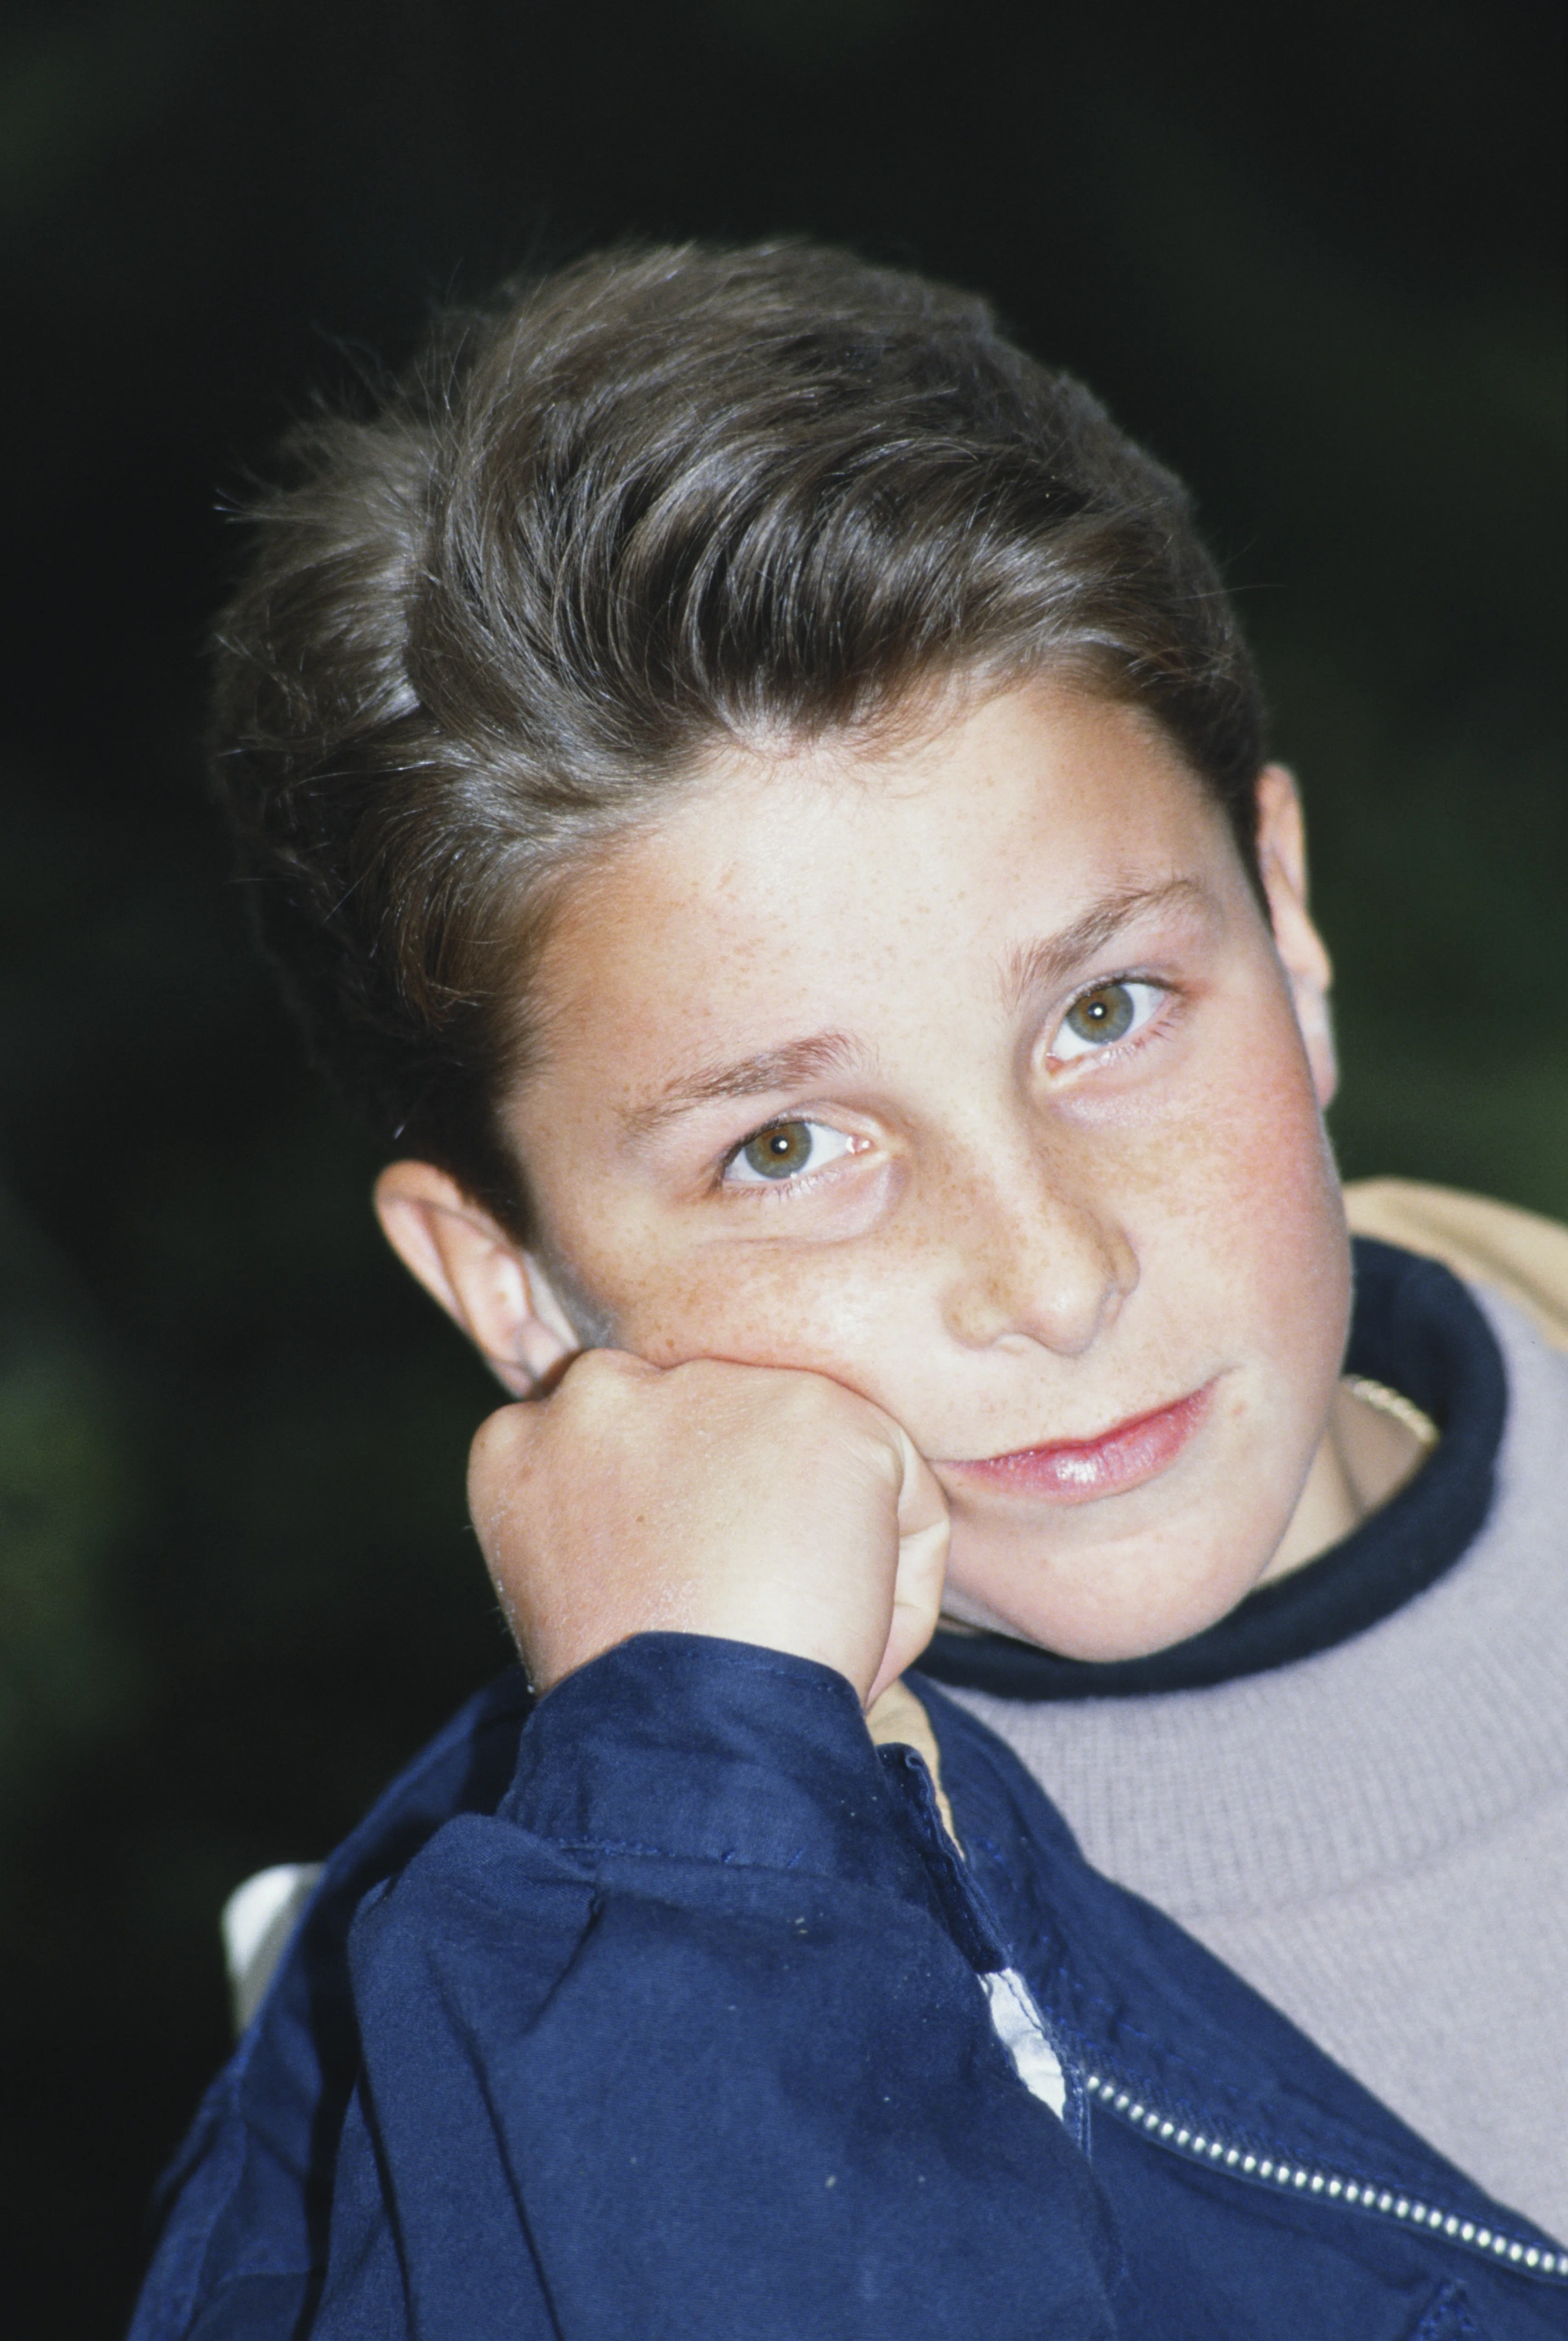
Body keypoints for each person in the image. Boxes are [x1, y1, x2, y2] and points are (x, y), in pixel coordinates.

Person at [128, 242, 1568, 2339]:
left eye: (1108, 1006)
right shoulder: (428, 2103)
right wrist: (692, 1884)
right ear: (510, 1279)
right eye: (785, 1148)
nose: (1054, 1273)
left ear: (1292, 924)